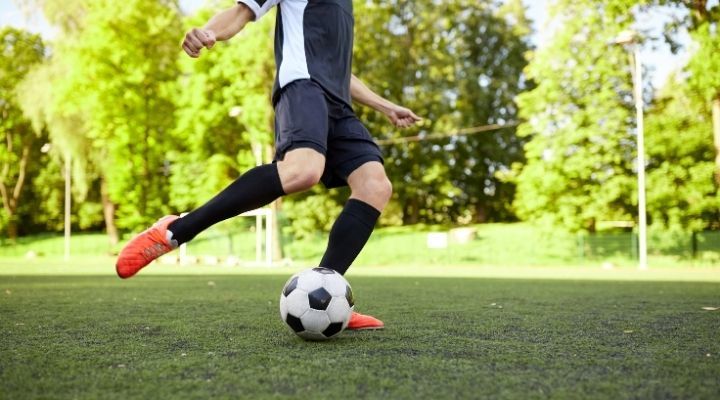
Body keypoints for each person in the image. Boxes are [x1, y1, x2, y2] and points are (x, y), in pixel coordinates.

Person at [115, 0, 422, 330]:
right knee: (303, 170)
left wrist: (384, 106)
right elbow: (240, 13)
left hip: (338, 102)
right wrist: (208, 32)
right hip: (303, 87)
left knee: (375, 186)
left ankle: (327, 291)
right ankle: (176, 230)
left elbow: (338, 70)